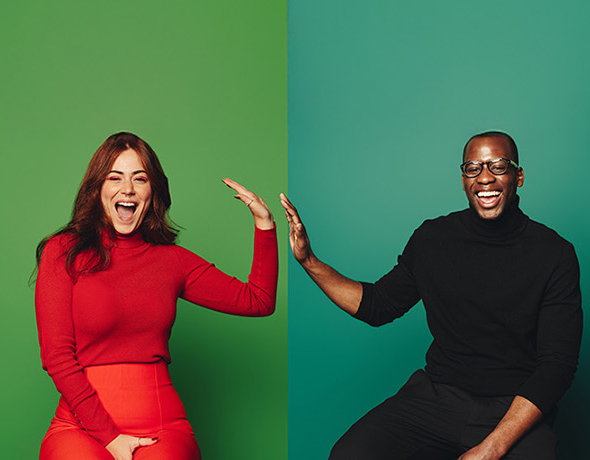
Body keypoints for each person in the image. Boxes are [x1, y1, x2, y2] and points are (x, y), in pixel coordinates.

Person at [283, 131, 579, 460]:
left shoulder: (555, 254)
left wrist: (492, 447)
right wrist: (309, 261)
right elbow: (377, 305)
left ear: (518, 176)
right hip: (435, 400)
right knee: (349, 455)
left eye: (498, 166)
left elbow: (557, 367)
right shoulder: (432, 239)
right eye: (473, 168)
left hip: (513, 409)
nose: (485, 178)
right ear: (463, 180)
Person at [34, 132, 278, 460]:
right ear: (97, 188)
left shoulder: (171, 260)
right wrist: (110, 438)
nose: (127, 189)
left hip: (161, 426)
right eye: (115, 177)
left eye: (140, 178)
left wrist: (264, 224)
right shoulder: (63, 252)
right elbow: (56, 357)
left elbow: (258, 300)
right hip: (80, 427)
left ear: (153, 192)